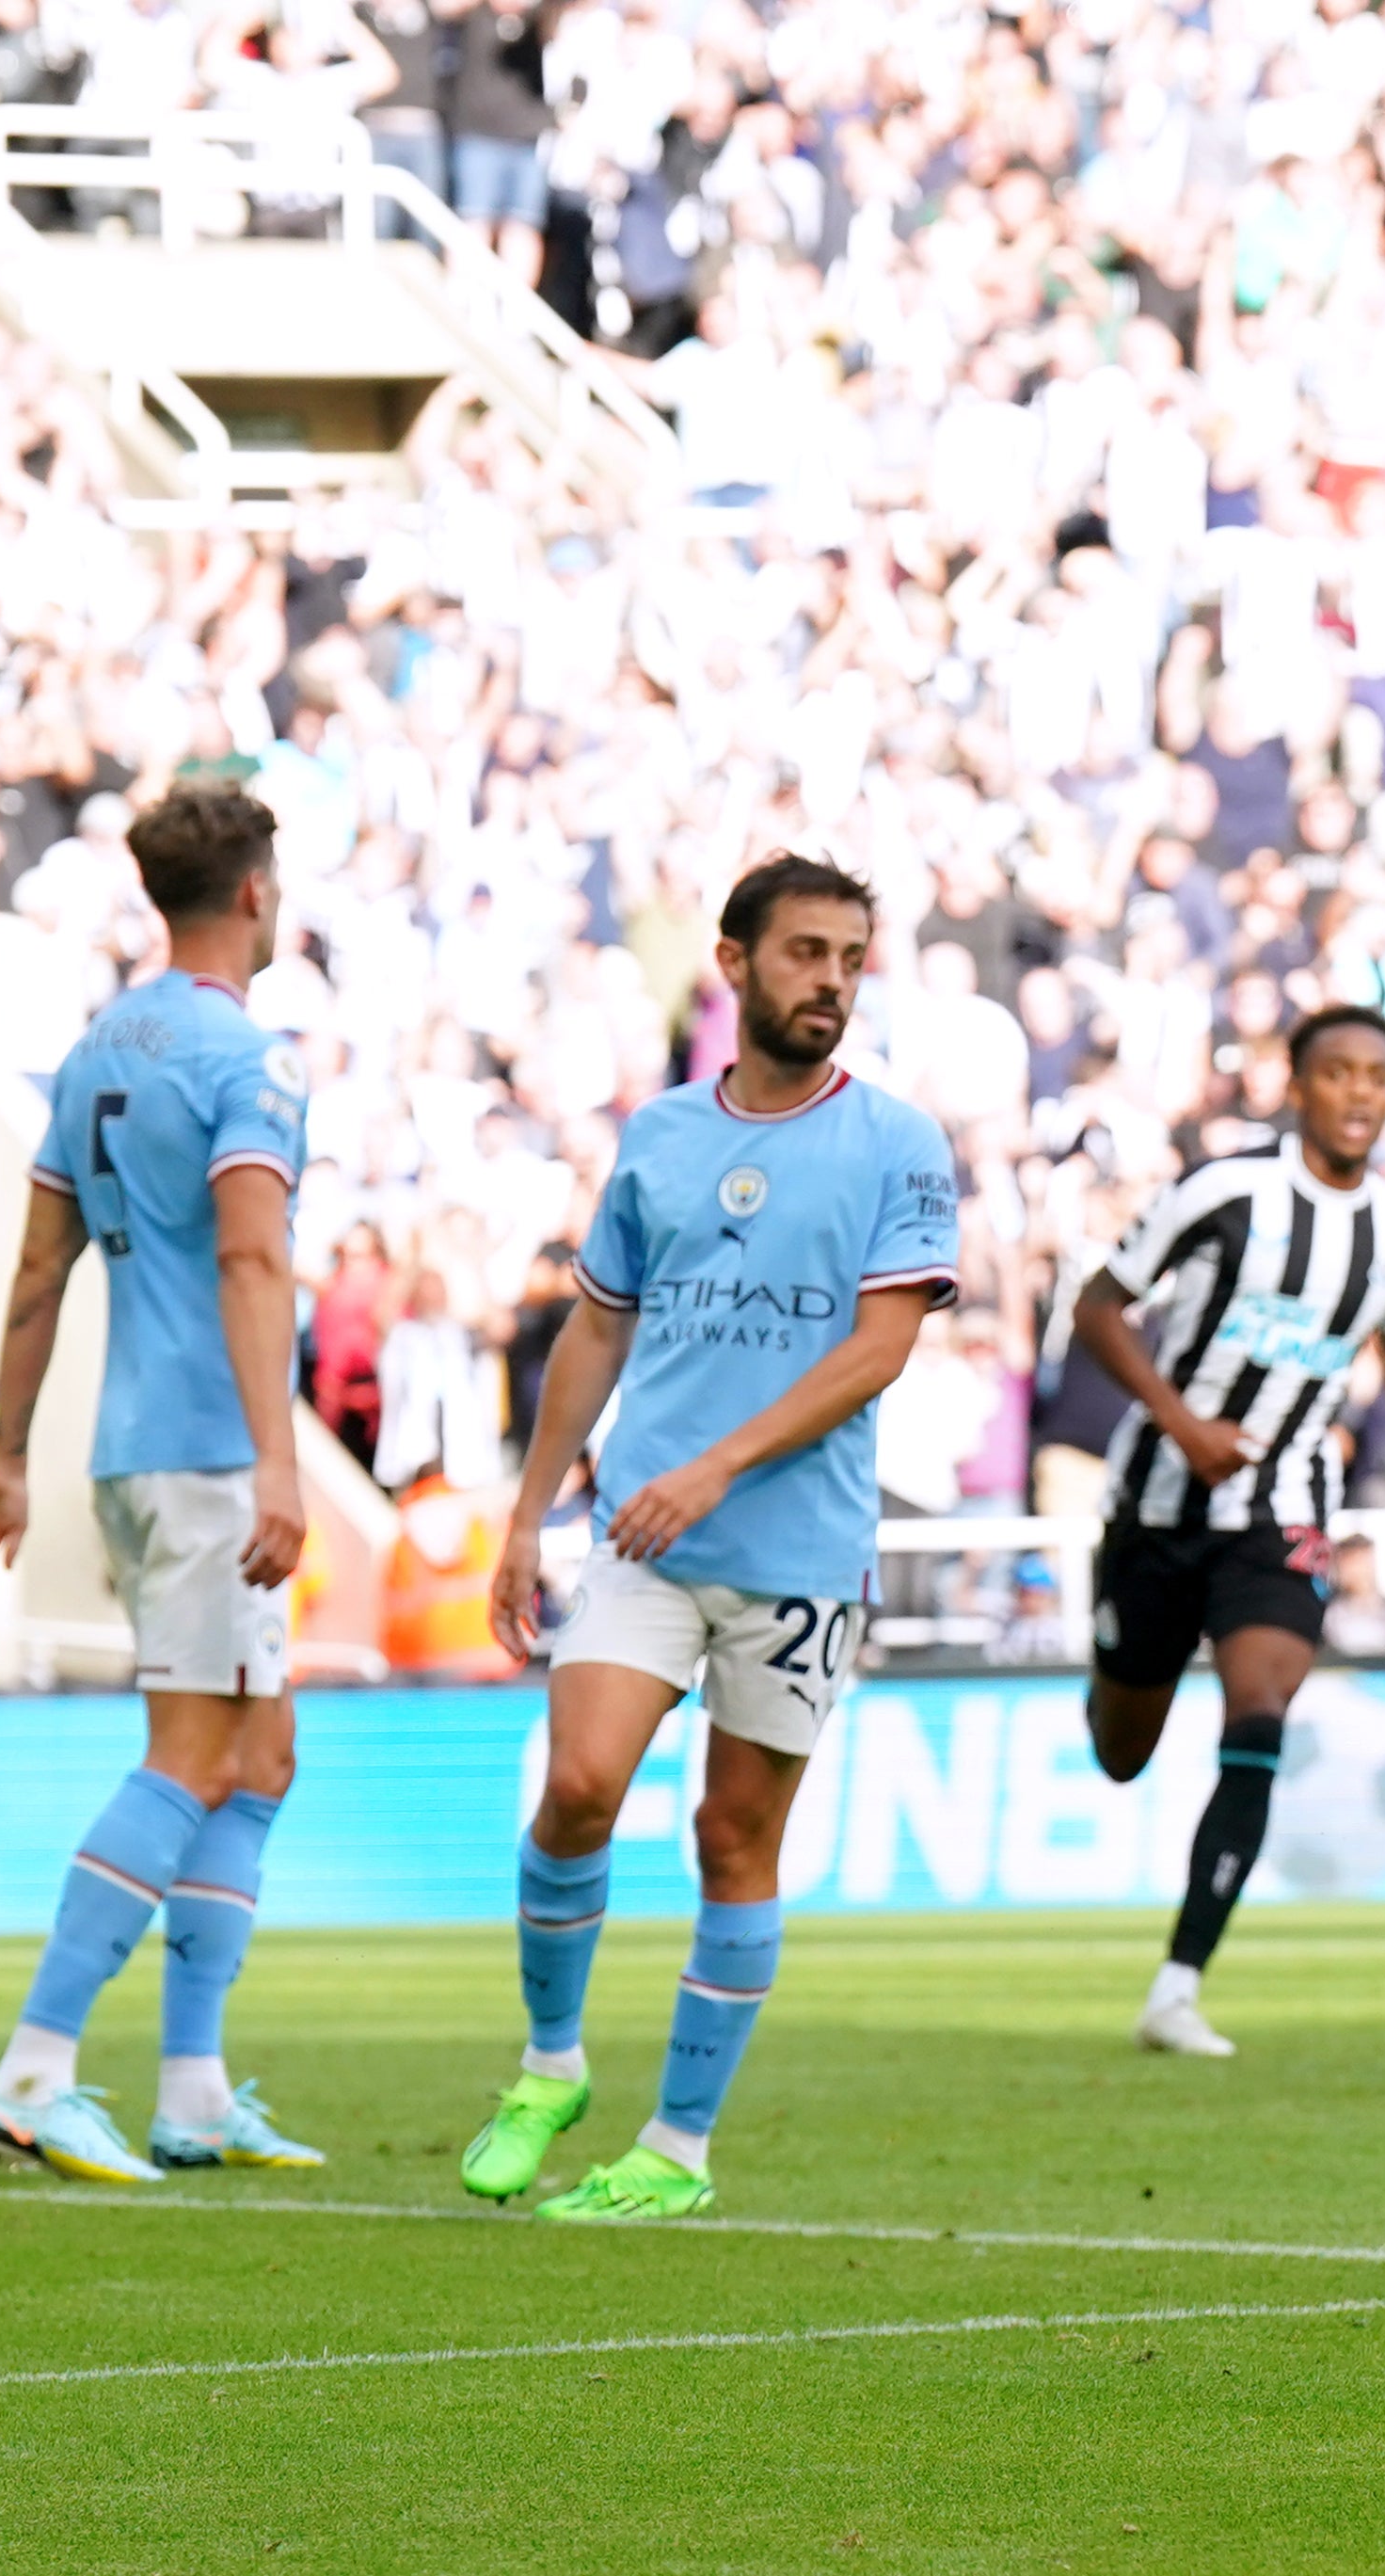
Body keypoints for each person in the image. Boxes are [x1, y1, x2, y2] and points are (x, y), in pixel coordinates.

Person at [459, 856, 956, 2221]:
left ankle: (674, 2149)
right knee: (578, 1787)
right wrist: (525, 1511)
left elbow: (882, 1348)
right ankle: (548, 2063)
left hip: (798, 1553)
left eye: (851, 959)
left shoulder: (899, 1141)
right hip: (645, 1537)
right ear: (731, 962)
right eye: (805, 954)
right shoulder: (664, 1136)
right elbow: (599, 1325)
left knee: (735, 1840)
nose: (832, 983)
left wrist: (719, 1465)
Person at [0, 784, 323, 2187]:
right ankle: (36, 2068)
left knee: (261, 1754)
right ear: (252, 894)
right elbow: (249, 1257)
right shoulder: (250, 1062)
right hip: (212, 1451)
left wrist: (4, 1452)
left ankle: (194, 2088)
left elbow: (41, 1267)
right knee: (196, 1755)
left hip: (128, 1441)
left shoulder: (98, 1047)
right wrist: (278, 1457)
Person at [1067, 1003, 1385, 2059]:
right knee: (1120, 1751)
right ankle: (1109, 1678)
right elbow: (1098, 1306)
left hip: (1282, 1506)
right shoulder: (1223, 1191)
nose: (1360, 1092)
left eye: (1377, 1073)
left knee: (1261, 1705)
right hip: (1154, 1498)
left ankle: (1177, 1984)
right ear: (1297, 1084)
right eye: (1338, 1072)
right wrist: (1184, 1424)